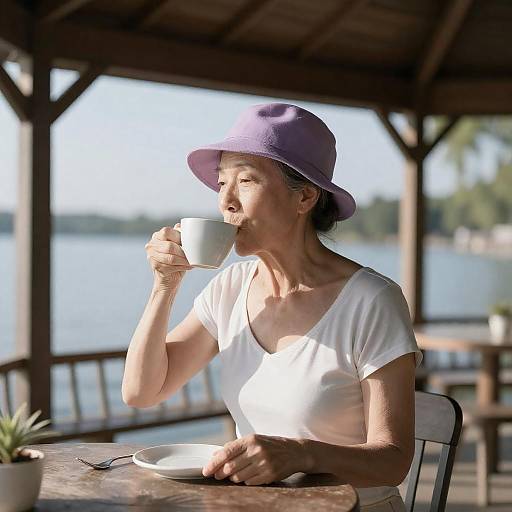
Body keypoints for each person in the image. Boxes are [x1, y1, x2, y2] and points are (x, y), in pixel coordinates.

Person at [122, 103, 423, 511]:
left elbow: (393, 460)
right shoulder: (229, 288)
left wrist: (301, 453)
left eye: (246, 180)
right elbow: (142, 391)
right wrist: (164, 286)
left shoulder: (372, 301)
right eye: (221, 182)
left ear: (305, 197)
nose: (225, 201)